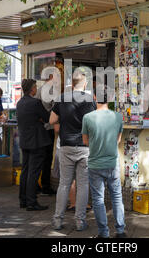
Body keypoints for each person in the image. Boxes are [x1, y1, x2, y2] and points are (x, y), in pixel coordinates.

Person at [50, 69, 96, 231]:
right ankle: (80, 221)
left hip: (66, 145)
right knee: (83, 185)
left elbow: (52, 120)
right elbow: (93, 124)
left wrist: (66, 122)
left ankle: (58, 220)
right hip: (84, 147)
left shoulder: (62, 98)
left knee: (64, 184)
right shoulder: (89, 100)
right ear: (84, 83)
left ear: (72, 83)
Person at [82, 88, 126, 238]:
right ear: (111, 98)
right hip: (112, 163)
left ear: (95, 97)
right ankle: (120, 231)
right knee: (117, 197)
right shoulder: (118, 117)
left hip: (95, 163)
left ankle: (103, 233)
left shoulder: (87, 117)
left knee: (98, 199)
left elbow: (85, 141)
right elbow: (118, 140)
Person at [17, 79, 52, 211]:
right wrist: (40, 119)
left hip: (25, 141)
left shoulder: (20, 103)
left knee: (26, 170)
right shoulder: (36, 103)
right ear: (32, 89)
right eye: (35, 87)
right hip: (37, 141)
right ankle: (32, 201)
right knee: (34, 172)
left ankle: (23, 199)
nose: (36, 89)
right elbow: (47, 117)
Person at [35, 73, 57, 195]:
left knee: (40, 157)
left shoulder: (38, 90)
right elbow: (56, 110)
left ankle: (36, 184)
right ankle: (45, 185)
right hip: (48, 128)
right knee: (47, 158)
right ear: (51, 78)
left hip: (40, 128)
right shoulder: (51, 92)